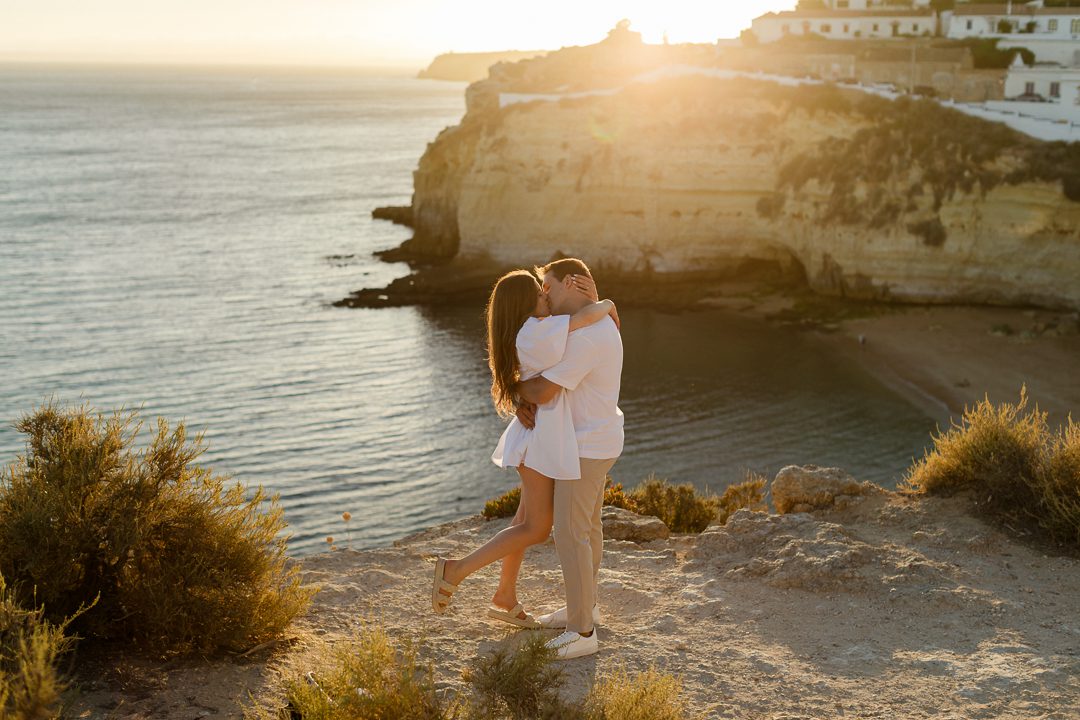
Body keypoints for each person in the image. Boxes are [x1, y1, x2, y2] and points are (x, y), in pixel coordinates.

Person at [431, 268, 618, 630]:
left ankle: (504, 597)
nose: (546, 296)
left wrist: (589, 298)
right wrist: (606, 302)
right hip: (541, 439)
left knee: (523, 522)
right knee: (535, 528)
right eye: (539, 293)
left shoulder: (532, 330)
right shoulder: (536, 331)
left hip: (541, 436)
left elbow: (570, 322)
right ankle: (455, 570)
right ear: (525, 305)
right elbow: (579, 319)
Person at [516, 257, 624, 660]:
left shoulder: (588, 336)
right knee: (588, 528)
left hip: (586, 447)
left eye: (548, 285)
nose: (543, 292)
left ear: (573, 284)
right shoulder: (589, 326)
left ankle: (582, 632)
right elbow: (542, 374)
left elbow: (543, 391)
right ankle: (586, 607)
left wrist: (513, 387)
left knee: (570, 533)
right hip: (596, 440)